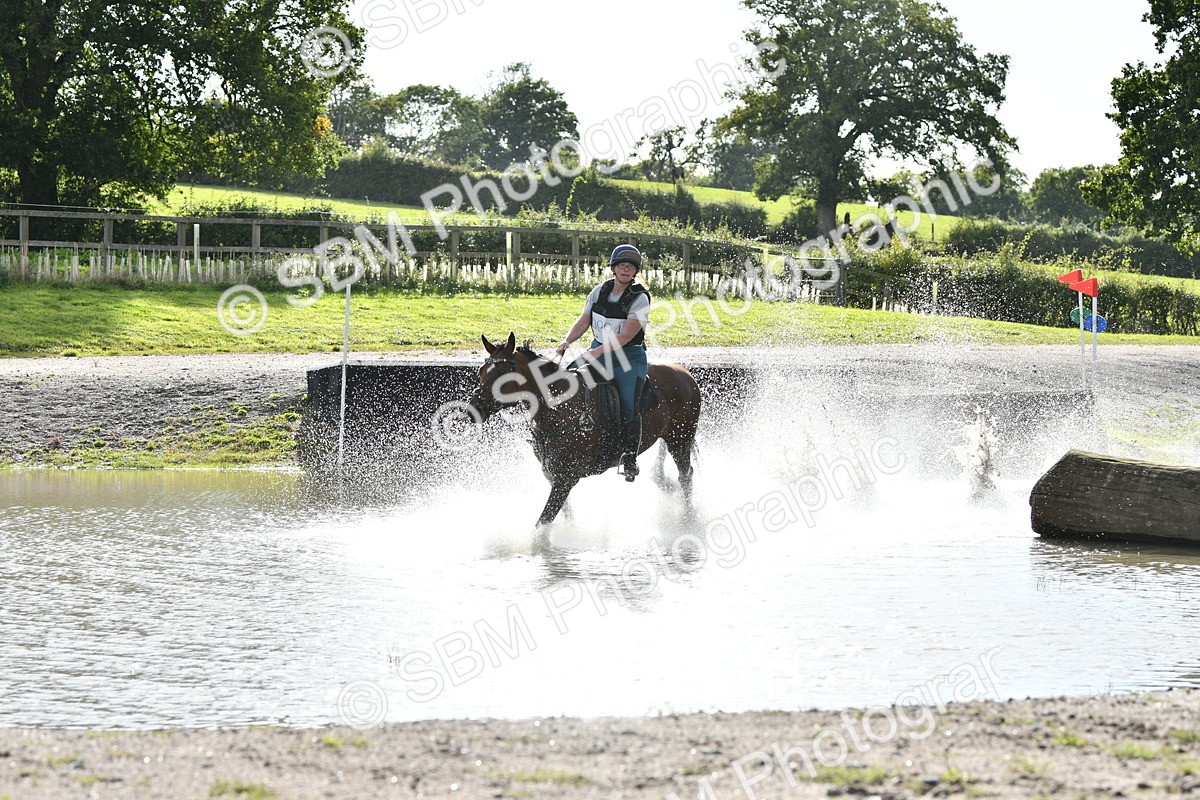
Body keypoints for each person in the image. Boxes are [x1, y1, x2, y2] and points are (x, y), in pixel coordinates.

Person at [554, 243, 650, 480]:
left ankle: (629, 456)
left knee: (629, 404)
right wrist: (567, 341)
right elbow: (584, 321)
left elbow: (627, 335)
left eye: (630, 267)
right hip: (599, 350)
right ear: (614, 268)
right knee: (565, 380)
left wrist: (596, 354)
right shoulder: (599, 291)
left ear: (635, 271)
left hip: (628, 357)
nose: (626, 270)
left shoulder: (640, 298)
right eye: (622, 265)